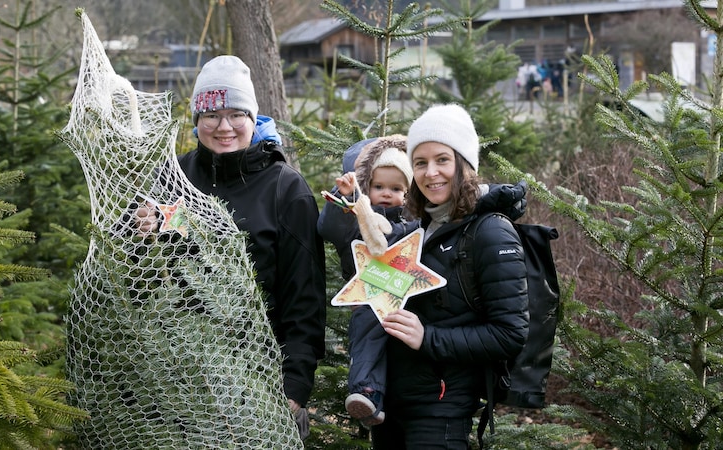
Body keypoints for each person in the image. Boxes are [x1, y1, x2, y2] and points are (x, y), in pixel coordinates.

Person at [136, 55, 326, 439]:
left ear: (252, 118)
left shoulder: (285, 189)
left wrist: (293, 389)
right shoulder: (173, 176)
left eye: (236, 114)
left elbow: (304, 297)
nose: (224, 127)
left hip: (258, 380)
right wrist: (140, 230)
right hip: (177, 379)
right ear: (196, 120)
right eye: (211, 115)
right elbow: (138, 274)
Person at [372, 104, 530, 449]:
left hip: (441, 409)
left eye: (442, 160)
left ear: (465, 164)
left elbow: (510, 334)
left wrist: (427, 338)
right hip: (392, 405)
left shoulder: (491, 233)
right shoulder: (417, 230)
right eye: (420, 162)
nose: (431, 173)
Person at [317, 135, 419, 428]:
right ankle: (367, 394)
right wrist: (346, 195)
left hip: (409, 297)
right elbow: (329, 227)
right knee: (366, 334)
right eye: (378, 187)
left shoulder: (413, 223)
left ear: (409, 193)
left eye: (396, 188)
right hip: (368, 297)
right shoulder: (355, 219)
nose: (386, 194)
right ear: (367, 187)